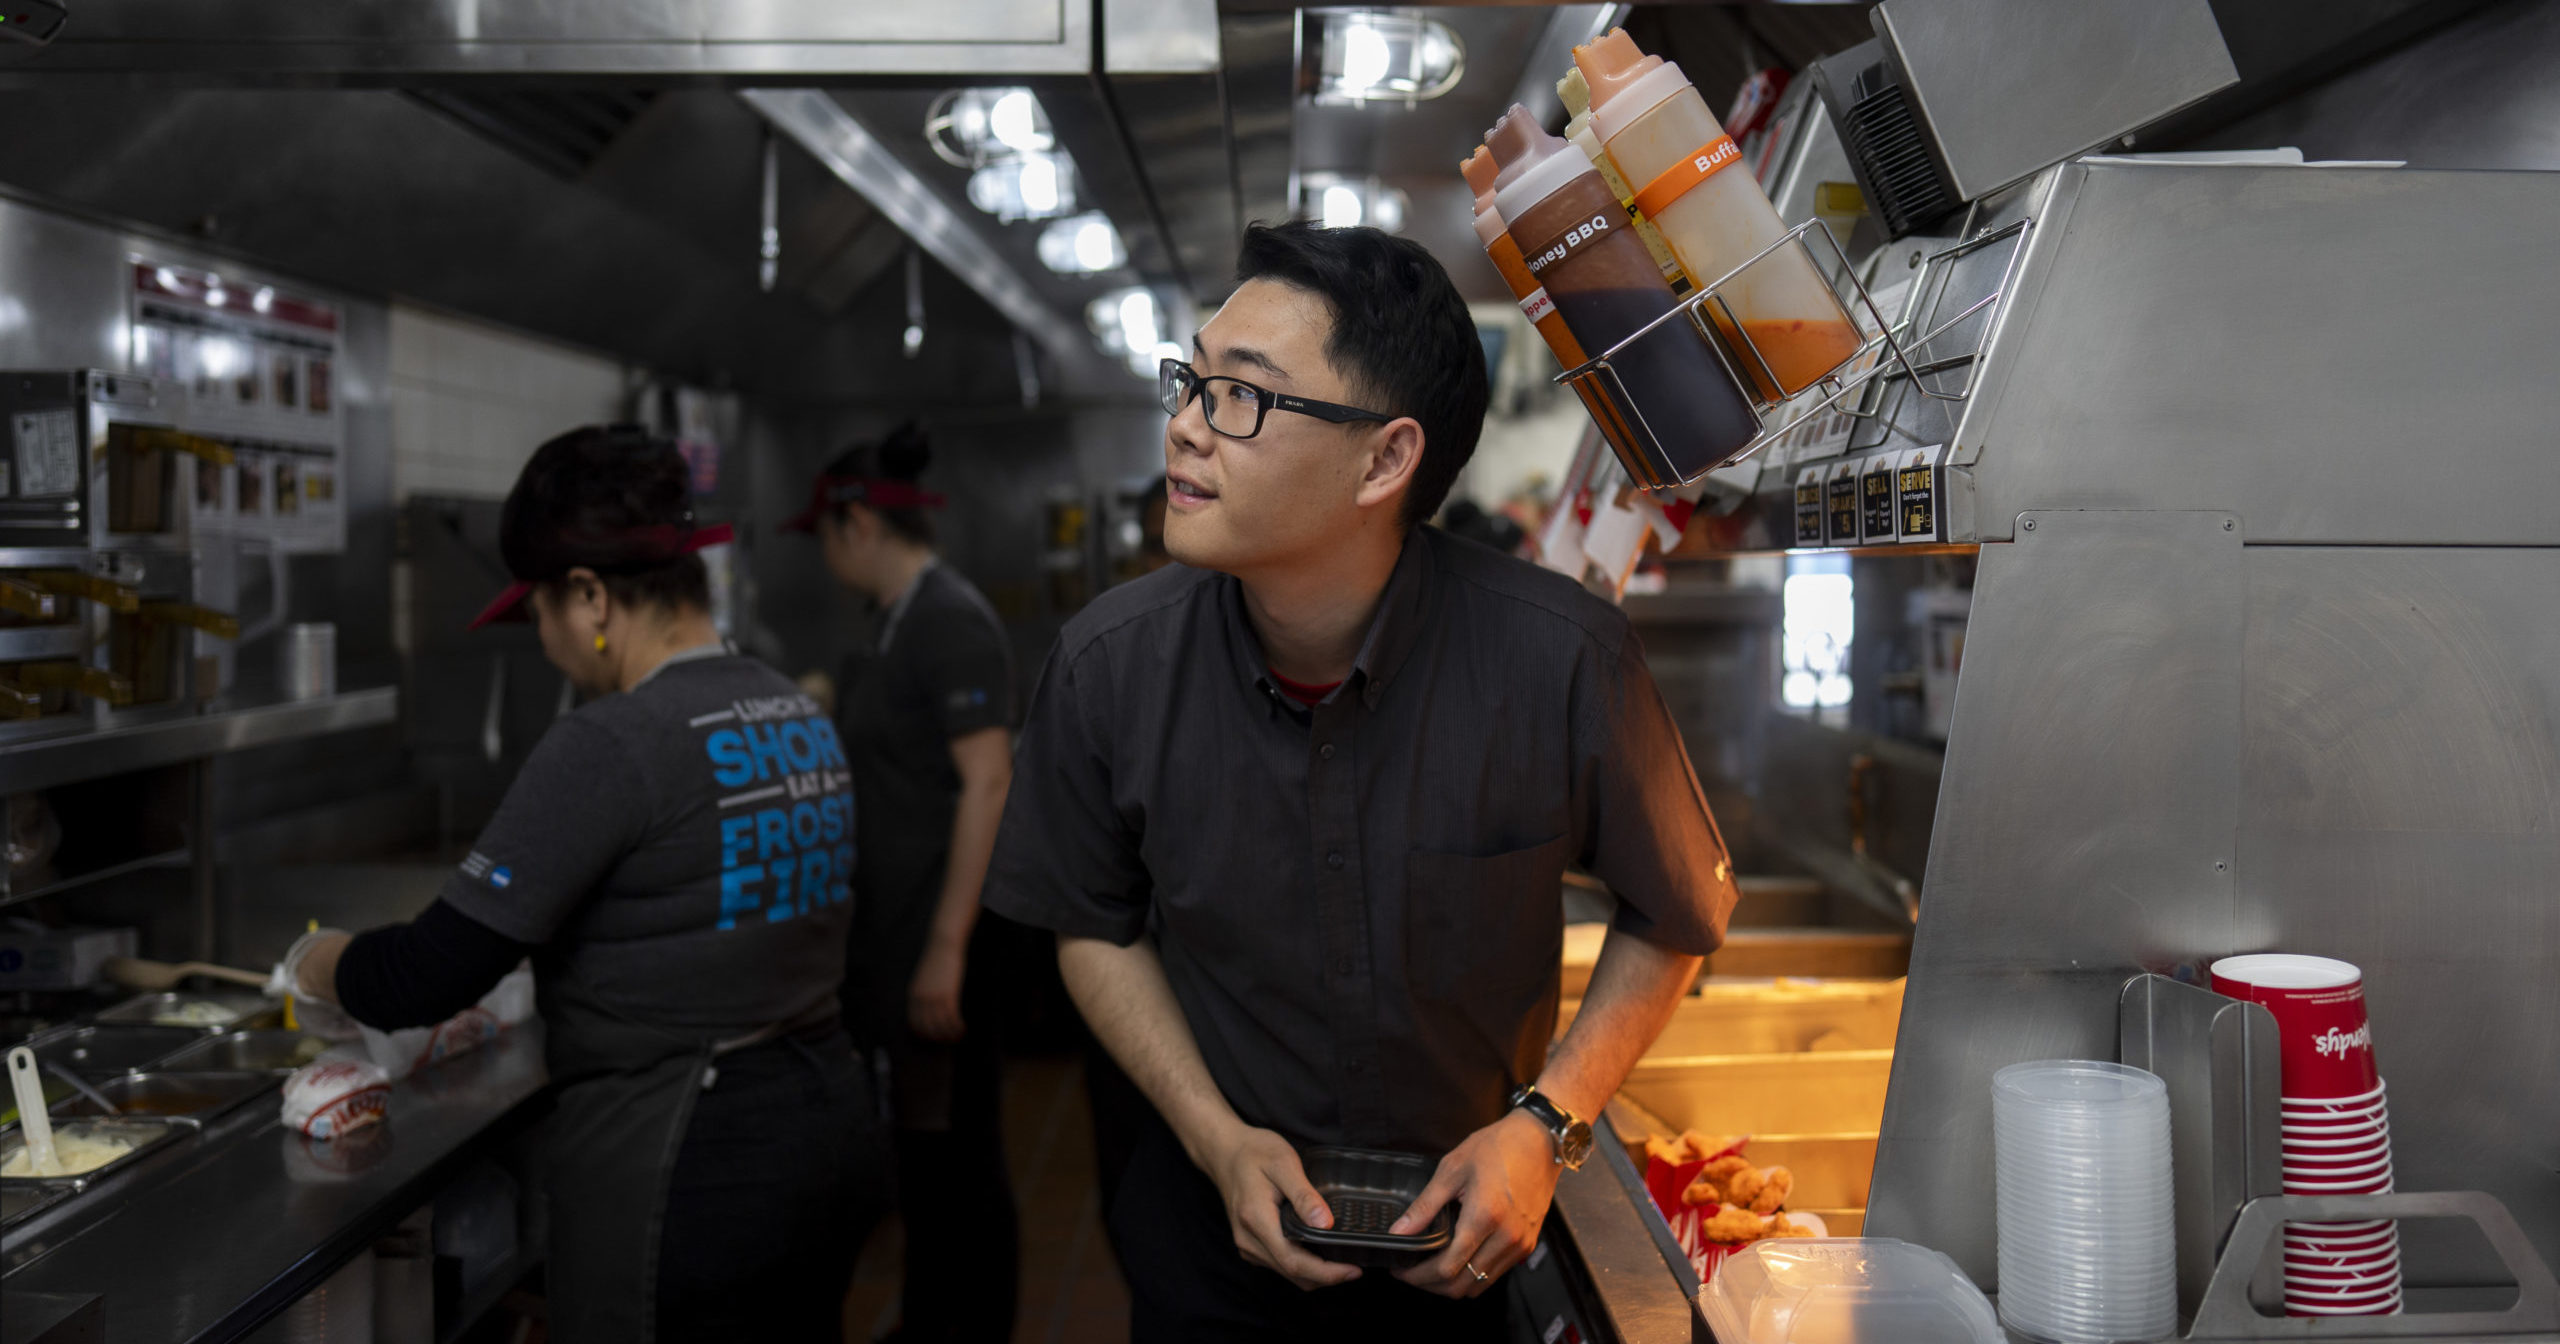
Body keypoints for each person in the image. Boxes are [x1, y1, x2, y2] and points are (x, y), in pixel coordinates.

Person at [981, 219, 1741, 1341]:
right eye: (1190, 382)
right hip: (1215, 1260)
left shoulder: (1561, 661)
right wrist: (1214, 1136)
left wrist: (1546, 1124)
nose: (1185, 429)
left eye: (1240, 397)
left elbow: (1678, 912)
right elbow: (1089, 923)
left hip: (1472, 1262)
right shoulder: (1109, 665)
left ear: (1385, 460)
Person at [274, 426, 885, 1344]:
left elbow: (429, 974)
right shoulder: (791, 708)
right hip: (825, 1124)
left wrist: (317, 963)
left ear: (591, 595)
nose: (548, 644)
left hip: (684, 1160)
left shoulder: (609, 742)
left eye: (541, 615)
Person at [779, 424, 1020, 1344]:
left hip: (943, 938)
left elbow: (988, 781)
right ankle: (932, 1326)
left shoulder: (947, 618)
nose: (827, 556)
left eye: (826, 536)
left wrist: (947, 951)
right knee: (925, 1159)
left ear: (855, 526)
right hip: (904, 935)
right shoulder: (892, 621)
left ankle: (969, 1330)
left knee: (961, 1158)